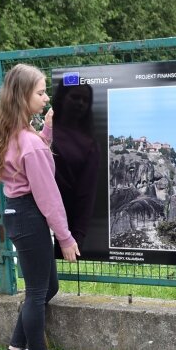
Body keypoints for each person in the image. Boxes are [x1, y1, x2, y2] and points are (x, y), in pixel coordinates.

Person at [0, 63, 81, 350]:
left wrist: (49, 130)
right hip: (30, 218)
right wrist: (66, 237)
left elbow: (32, 153)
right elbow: (48, 197)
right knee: (38, 292)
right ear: (22, 97)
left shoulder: (16, 133)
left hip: (18, 215)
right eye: (40, 93)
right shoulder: (29, 144)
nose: (45, 98)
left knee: (46, 287)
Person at [51, 81, 99, 252]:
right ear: (62, 98)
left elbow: (87, 193)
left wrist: (78, 235)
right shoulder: (43, 132)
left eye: (85, 100)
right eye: (75, 97)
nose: (80, 103)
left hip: (67, 219)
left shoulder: (89, 145)